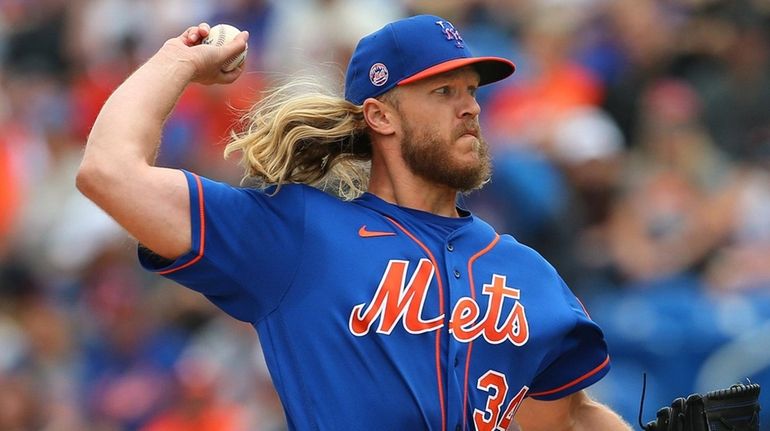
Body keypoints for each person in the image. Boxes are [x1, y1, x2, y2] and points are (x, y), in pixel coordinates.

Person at [77, 14, 632, 431]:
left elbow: (568, 415)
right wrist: (181, 58)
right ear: (380, 115)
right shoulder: (297, 235)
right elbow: (109, 171)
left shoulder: (527, 271)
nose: (470, 108)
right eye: (443, 92)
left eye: (471, 91)